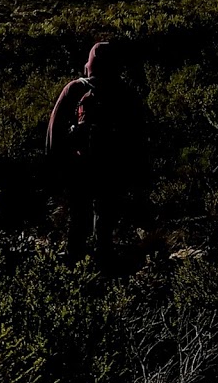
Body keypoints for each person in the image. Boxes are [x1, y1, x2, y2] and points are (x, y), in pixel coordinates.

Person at [46, 41, 146, 269]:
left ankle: (75, 263)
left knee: (79, 214)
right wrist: (137, 170)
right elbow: (138, 133)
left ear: (89, 64)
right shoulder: (126, 93)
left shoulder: (75, 89)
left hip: (79, 166)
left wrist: (55, 166)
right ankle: (105, 261)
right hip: (112, 167)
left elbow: (54, 130)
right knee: (106, 214)